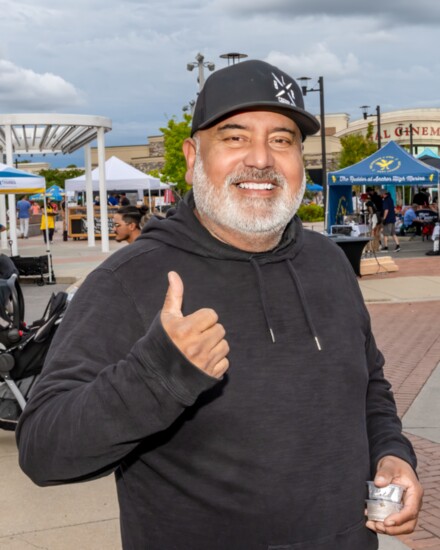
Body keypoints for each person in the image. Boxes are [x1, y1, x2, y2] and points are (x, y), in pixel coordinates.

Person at [16, 60, 422, 550]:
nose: (261, 159)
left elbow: (370, 386)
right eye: (234, 137)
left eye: (282, 139)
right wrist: (157, 375)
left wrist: (392, 453)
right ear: (192, 156)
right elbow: (43, 451)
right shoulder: (129, 280)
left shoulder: (328, 263)